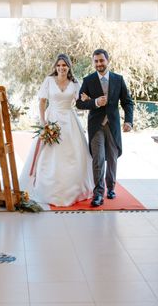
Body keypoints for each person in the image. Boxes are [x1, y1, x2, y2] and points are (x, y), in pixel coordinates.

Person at [19, 54, 94, 206]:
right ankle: (47, 188)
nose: (61, 68)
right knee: (49, 154)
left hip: (70, 121)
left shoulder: (74, 82)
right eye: (59, 65)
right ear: (55, 67)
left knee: (72, 154)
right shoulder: (49, 80)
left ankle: (72, 189)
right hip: (52, 118)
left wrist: (87, 99)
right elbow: (42, 101)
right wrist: (42, 120)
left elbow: (80, 100)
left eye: (64, 65)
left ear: (68, 67)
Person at [76, 49, 134, 207]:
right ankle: (98, 194)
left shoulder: (118, 79)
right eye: (96, 61)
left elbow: (127, 102)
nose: (99, 64)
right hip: (96, 126)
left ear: (107, 61)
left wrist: (128, 121)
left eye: (101, 61)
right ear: (93, 62)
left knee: (112, 158)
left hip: (113, 125)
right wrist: (94, 102)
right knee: (98, 159)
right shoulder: (88, 80)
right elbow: (79, 103)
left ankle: (111, 187)